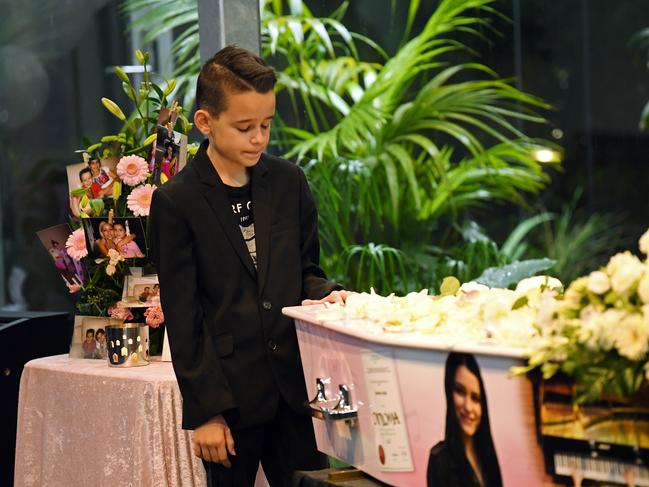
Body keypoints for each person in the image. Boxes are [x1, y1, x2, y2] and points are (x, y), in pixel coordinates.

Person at [149, 45, 348, 487]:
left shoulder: (288, 182)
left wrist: (326, 295)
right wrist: (207, 412)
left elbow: (305, 271)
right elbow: (184, 318)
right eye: (244, 127)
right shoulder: (175, 203)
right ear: (205, 122)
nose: (259, 138)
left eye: (266, 124)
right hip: (230, 402)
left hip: (295, 397)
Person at [427, 352, 502, 487]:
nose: (468, 407)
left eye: (475, 398)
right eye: (460, 391)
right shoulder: (440, 460)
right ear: (449, 393)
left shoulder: (487, 456)